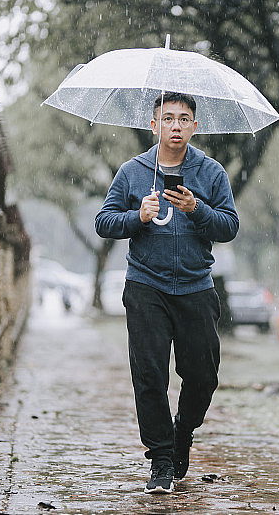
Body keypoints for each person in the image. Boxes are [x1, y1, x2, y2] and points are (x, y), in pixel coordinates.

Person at [94, 92, 239, 494]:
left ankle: (183, 433)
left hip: (196, 287)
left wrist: (197, 208)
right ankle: (160, 458)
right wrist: (136, 217)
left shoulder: (211, 173)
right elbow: (104, 222)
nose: (176, 126)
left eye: (184, 119)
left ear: (194, 126)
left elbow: (229, 227)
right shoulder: (132, 171)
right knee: (150, 376)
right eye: (168, 118)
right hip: (146, 287)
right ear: (153, 124)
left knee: (202, 376)